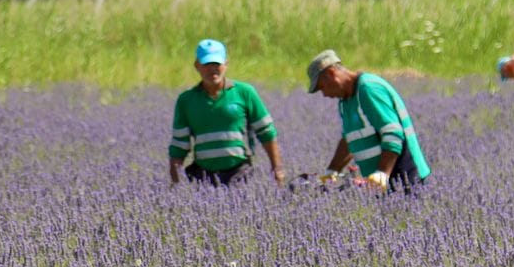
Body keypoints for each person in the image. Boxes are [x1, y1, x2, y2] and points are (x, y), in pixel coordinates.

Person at [307, 49, 430, 192]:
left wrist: (382, 173)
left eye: (322, 87)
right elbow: (350, 140)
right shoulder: (345, 102)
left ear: (331, 73)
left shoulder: (368, 89)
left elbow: (393, 133)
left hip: (405, 176)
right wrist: (332, 172)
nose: (324, 94)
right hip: (379, 184)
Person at [168, 38, 284, 186]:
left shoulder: (244, 93)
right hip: (202, 175)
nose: (212, 69)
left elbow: (266, 132)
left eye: (217, 64)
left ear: (226, 64)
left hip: (239, 172)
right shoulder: (186, 100)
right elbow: (179, 145)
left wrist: (277, 169)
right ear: (197, 65)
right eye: (207, 64)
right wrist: (175, 182)